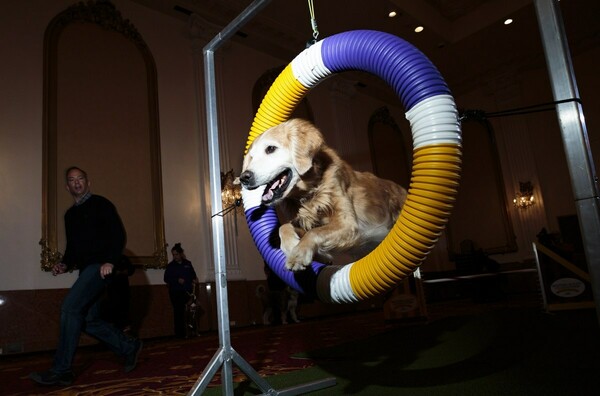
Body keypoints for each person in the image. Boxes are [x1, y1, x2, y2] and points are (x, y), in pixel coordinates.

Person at [29, 167, 143, 387]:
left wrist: (110, 260)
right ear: (67, 187)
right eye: (72, 180)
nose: (77, 183)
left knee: (70, 309)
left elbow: (118, 234)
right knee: (88, 320)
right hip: (86, 270)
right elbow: (73, 248)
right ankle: (130, 347)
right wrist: (64, 264)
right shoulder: (70, 215)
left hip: (102, 267)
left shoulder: (102, 204)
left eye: (80, 179)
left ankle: (61, 370)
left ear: (88, 182)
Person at [164, 243, 198, 338]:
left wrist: (194, 279)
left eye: (176, 254)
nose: (175, 257)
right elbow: (166, 278)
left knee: (191, 311)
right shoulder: (170, 266)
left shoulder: (188, 264)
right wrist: (176, 280)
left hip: (187, 292)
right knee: (178, 312)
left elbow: (193, 275)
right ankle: (180, 334)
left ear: (181, 254)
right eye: (173, 255)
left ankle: (192, 331)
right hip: (175, 292)